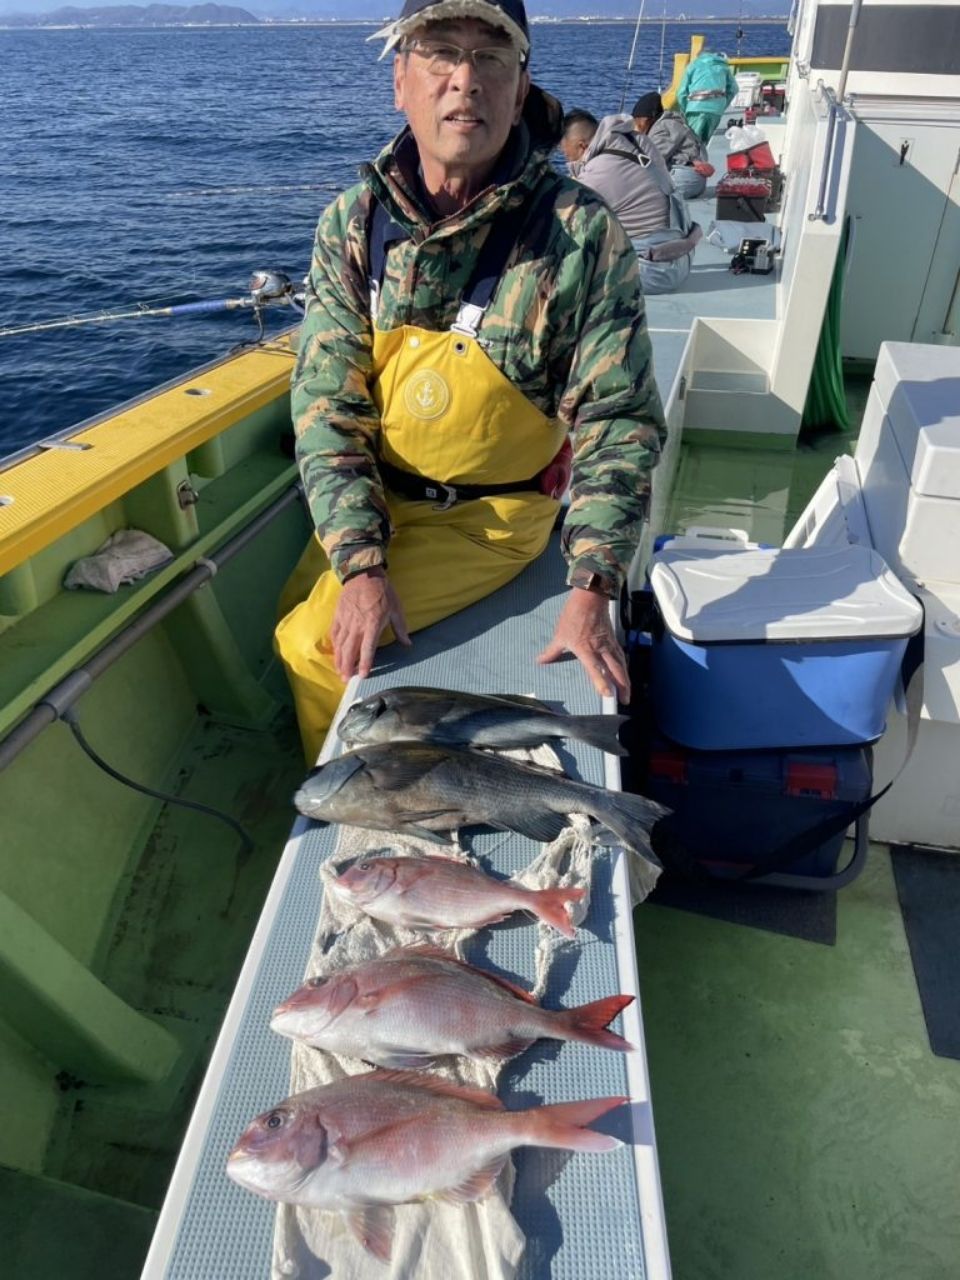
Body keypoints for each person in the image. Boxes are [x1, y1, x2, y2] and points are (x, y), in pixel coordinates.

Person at [275, 0, 667, 763]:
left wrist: (592, 584)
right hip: (380, 499)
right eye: (440, 55)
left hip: (487, 522)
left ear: (521, 90)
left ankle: (358, 802)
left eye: (492, 59)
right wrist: (361, 559)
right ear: (401, 82)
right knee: (298, 603)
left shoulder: (579, 234)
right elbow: (328, 403)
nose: (466, 81)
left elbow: (619, 421)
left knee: (313, 648)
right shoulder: (353, 221)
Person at [559, 109, 701, 296]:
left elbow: (561, 218)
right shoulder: (635, 141)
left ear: (582, 147)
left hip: (654, 272)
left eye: (568, 156)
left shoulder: (600, 170)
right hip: (681, 259)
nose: (568, 161)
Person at [632, 90, 714, 201]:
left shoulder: (663, 128)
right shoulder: (670, 122)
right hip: (692, 179)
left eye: (638, 122)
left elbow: (652, 159)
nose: (636, 127)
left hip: (684, 179)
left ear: (648, 119)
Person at [675, 47, 738, 144]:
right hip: (716, 109)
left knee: (692, 142)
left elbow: (681, 93)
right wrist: (723, 104)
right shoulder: (723, 66)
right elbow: (734, 89)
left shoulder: (693, 66)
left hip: (695, 108)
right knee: (707, 143)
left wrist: (685, 110)